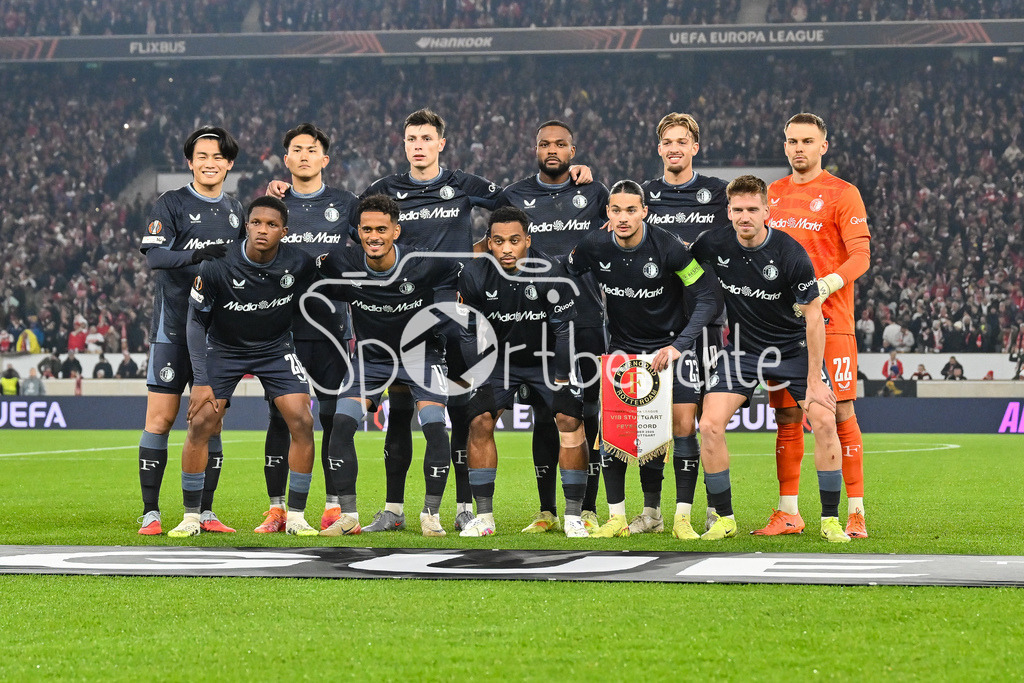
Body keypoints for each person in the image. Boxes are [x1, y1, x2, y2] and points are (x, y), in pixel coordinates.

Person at [690, 174, 850, 543]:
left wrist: (813, 380)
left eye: (752, 209)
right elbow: (678, 259)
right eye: (738, 210)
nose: (745, 217)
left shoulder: (790, 253)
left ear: (767, 210)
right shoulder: (713, 243)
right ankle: (724, 519)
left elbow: (814, 318)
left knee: (825, 420)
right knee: (710, 425)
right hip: (743, 350)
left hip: (792, 351)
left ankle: (830, 520)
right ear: (728, 211)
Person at [565, 180, 719, 539]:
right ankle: (620, 517)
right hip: (623, 352)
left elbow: (707, 298)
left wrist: (680, 345)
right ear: (607, 213)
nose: (623, 217)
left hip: (670, 349)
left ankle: (680, 518)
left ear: (644, 211)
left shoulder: (668, 247)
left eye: (631, 210)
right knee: (616, 435)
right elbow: (566, 272)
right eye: (616, 210)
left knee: (682, 429)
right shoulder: (594, 244)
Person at [166, 196, 319, 538]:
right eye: (256, 223)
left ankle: (295, 516)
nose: (262, 230)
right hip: (225, 349)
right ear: (246, 225)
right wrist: (201, 380)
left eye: (271, 225)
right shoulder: (218, 262)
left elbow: (318, 297)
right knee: (201, 420)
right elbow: (195, 322)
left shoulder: (299, 263)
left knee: (303, 420)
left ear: (284, 231)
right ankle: (191, 517)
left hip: (275, 349)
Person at [314, 194, 461, 537]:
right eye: (367, 229)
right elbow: (308, 269)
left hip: (421, 356)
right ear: (359, 232)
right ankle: (348, 515)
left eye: (382, 229)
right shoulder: (343, 262)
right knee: (341, 423)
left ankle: (431, 514)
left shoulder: (424, 263)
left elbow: (462, 273)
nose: (374, 236)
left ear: (396, 230)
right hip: (371, 358)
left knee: (434, 426)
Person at [493, 120, 608, 534]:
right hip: (535, 324)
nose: (552, 149)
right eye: (545, 144)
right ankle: (546, 510)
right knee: (545, 415)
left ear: (573, 151)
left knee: (591, 413)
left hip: (588, 319)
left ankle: (589, 507)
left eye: (561, 144)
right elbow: (495, 248)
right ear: (534, 149)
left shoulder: (594, 193)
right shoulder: (514, 196)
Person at [761, 113, 872, 539]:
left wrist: (825, 284)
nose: (799, 148)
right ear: (784, 145)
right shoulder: (773, 194)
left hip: (832, 321)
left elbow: (861, 256)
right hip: (782, 329)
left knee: (840, 411)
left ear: (824, 145)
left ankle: (856, 511)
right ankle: (788, 511)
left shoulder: (843, 194)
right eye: (792, 141)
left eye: (808, 140)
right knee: (788, 415)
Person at [136, 126, 245, 536]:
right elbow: (156, 258)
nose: (210, 163)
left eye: (218, 157)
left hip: (216, 332)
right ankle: (151, 512)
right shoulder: (171, 202)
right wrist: (198, 253)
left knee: (209, 421)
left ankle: (205, 511)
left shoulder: (235, 209)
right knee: (161, 419)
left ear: (229, 164)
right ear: (190, 161)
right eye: (202, 156)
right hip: (172, 327)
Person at [457, 206, 589, 537]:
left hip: (547, 361)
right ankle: (484, 518)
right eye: (498, 241)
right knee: (479, 419)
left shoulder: (551, 272)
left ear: (527, 241)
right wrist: (480, 380)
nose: (506, 248)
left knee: (569, 419)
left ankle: (573, 517)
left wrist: (561, 382)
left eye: (514, 240)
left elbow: (564, 331)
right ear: (488, 243)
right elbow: (467, 332)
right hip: (501, 363)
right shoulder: (474, 275)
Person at [254, 123, 360, 535]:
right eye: (295, 149)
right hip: (285, 329)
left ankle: (333, 507)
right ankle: (277, 509)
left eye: (310, 149)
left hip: (333, 328)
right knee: (281, 419)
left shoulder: (346, 203)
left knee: (333, 418)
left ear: (324, 159)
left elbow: (371, 247)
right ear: (286, 159)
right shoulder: (273, 205)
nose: (303, 155)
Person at [641, 112, 731, 535]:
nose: (674, 148)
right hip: (658, 323)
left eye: (682, 141)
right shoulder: (644, 196)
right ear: (659, 148)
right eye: (667, 142)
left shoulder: (717, 193)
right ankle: (655, 513)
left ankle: (714, 509)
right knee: (659, 422)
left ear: (695, 147)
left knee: (704, 421)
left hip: (708, 320)